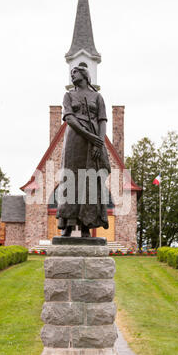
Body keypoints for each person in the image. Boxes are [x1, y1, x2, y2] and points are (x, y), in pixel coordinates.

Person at [56, 65, 111, 237]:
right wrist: (89, 136)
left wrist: (99, 142)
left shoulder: (97, 97)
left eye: (75, 72)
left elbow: (102, 121)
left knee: (90, 182)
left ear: (85, 75)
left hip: (94, 140)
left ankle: (87, 224)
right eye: (71, 73)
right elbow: (70, 119)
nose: (72, 75)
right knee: (71, 180)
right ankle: (69, 224)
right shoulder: (68, 95)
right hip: (75, 139)